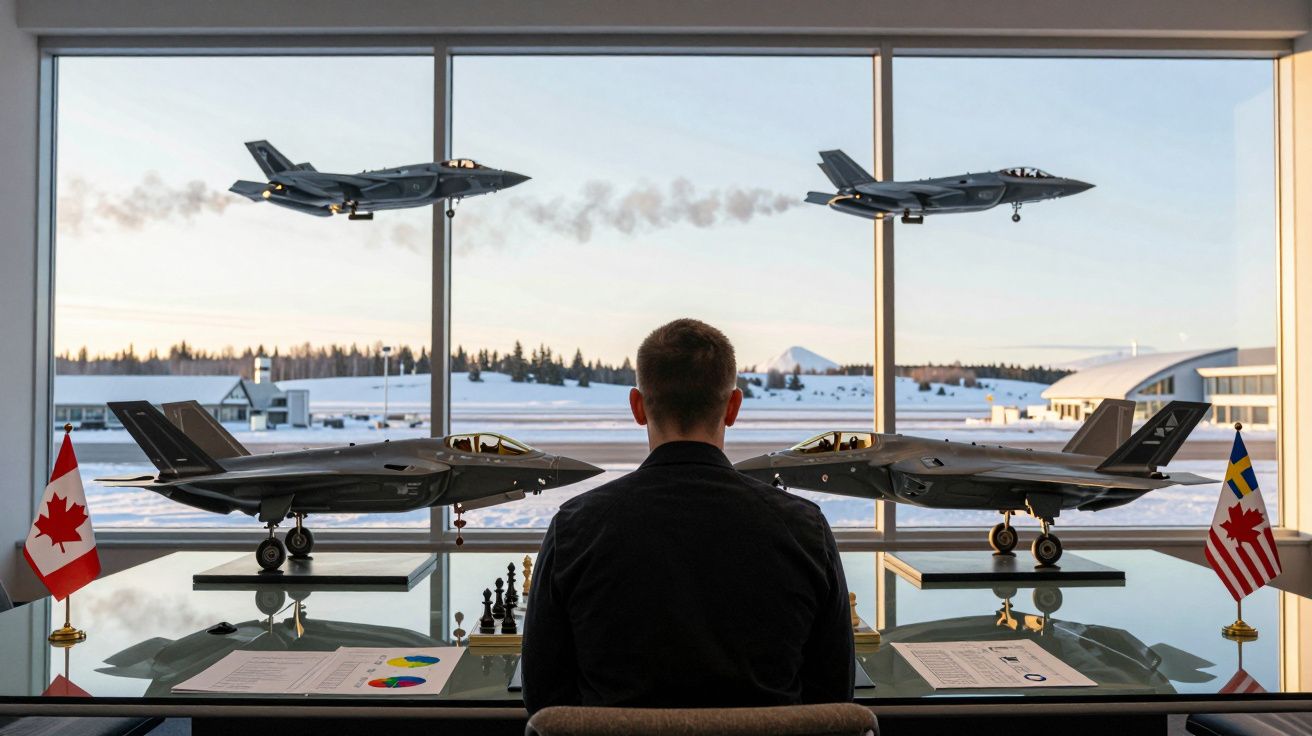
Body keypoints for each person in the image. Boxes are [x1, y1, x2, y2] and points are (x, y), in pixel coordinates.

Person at [522, 318, 853, 713]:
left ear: (637, 407)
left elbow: (544, 702)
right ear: (733, 407)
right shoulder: (805, 529)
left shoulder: (575, 528)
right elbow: (834, 699)